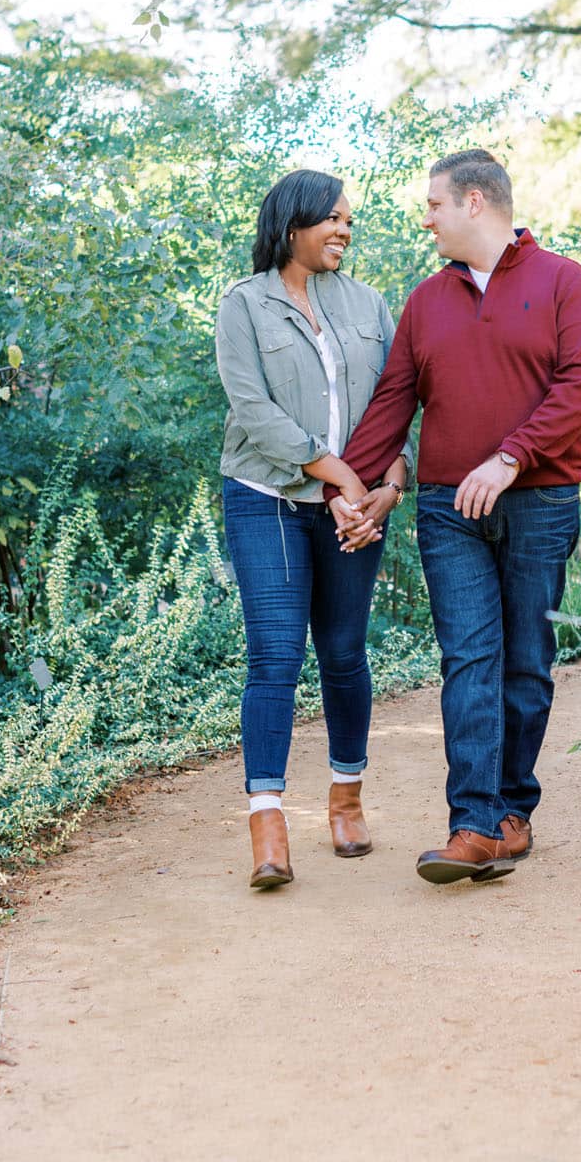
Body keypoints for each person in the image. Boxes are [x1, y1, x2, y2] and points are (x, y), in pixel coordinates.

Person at [329, 150, 581, 884]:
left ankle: (513, 813)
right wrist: (349, 485)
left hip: (539, 502)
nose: (425, 218)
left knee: (526, 664)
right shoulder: (427, 301)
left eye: (433, 205)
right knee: (468, 660)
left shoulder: (564, 284)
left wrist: (511, 457)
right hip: (448, 507)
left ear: (476, 202)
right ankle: (473, 825)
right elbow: (394, 398)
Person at [215, 170, 409, 891]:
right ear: (291, 222)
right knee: (273, 655)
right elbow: (251, 407)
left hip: (359, 502)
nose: (343, 230)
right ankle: (267, 821)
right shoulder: (243, 305)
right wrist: (336, 474)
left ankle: (346, 798)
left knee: (343, 651)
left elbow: (399, 399)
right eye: (331, 218)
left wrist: (387, 486)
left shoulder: (367, 304)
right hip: (267, 496)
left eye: (349, 221)